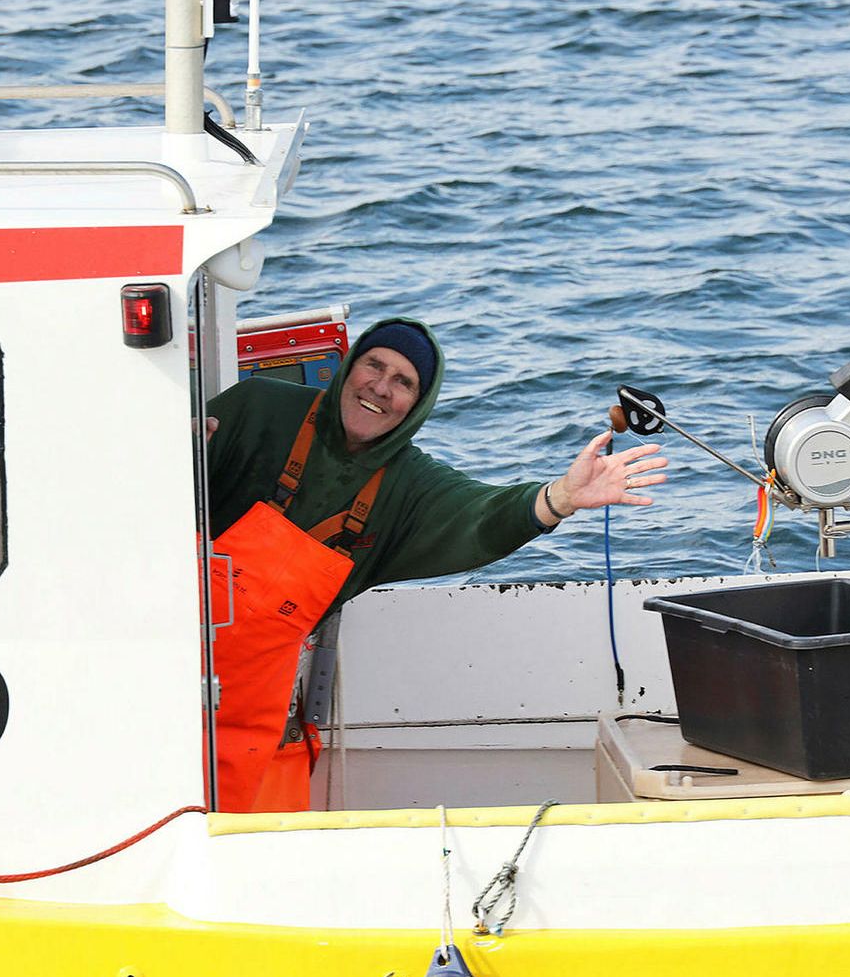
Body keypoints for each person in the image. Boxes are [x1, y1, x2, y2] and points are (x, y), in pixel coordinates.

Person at [204, 317, 665, 812]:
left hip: (247, 713)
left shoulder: (409, 487)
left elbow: (483, 517)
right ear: (348, 366)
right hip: (155, 649)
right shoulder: (257, 409)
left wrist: (562, 498)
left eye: (403, 382)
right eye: (373, 365)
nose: (380, 388)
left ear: (417, 405)